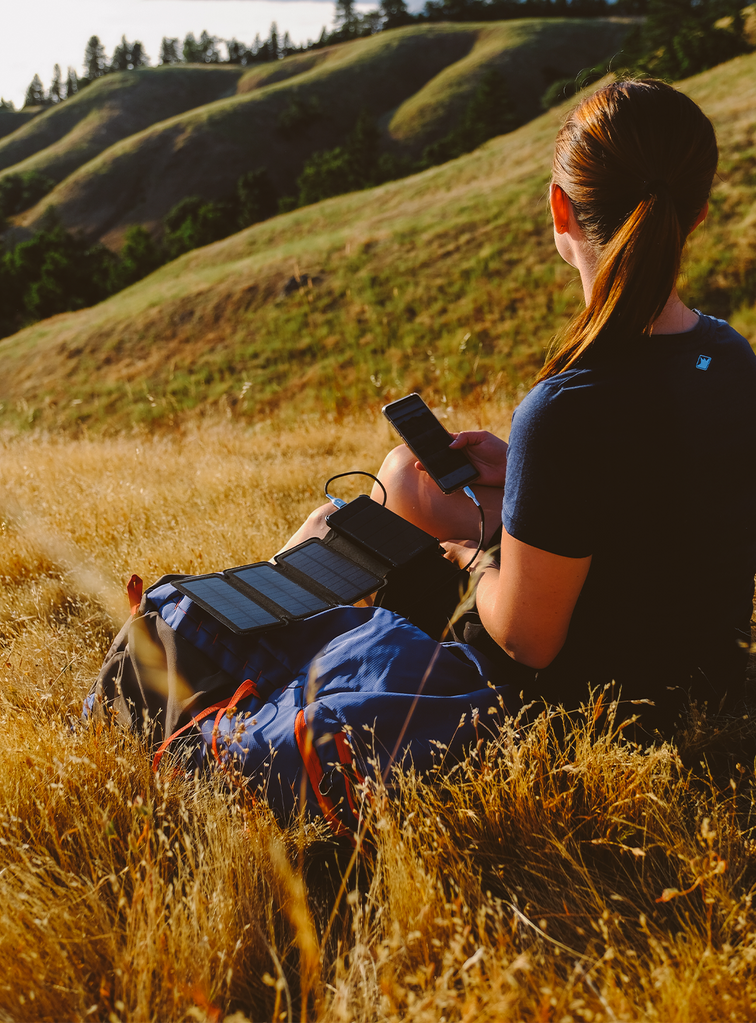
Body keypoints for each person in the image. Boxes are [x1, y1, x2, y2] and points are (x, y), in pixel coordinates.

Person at [287, 78, 756, 729]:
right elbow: (663, 485)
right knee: (403, 470)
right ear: (699, 214)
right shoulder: (732, 357)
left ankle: (258, 644)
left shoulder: (567, 406)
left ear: (560, 212)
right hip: (708, 666)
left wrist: (468, 558)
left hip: (593, 701)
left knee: (332, 526)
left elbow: (528, 642)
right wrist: (523, 471)